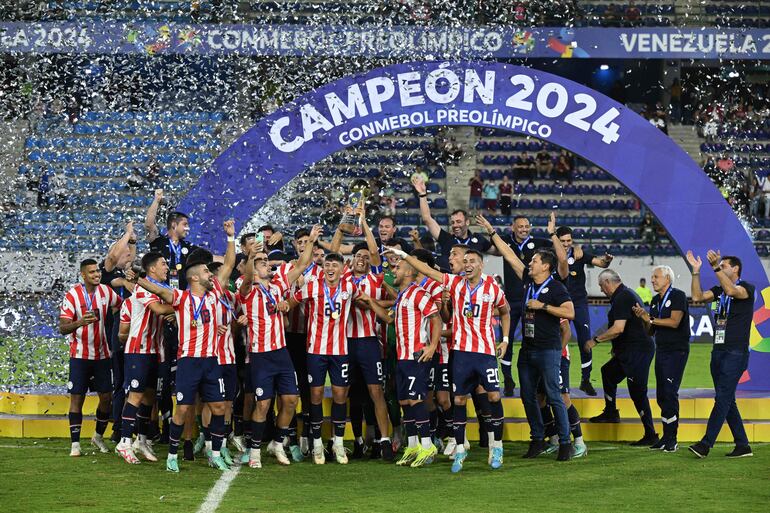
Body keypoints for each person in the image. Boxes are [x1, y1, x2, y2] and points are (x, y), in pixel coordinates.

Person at [385, 247, 510, 473]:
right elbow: (427, 270)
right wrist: (404, 256)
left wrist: (506, 340)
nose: (468, 263)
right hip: (460, 353)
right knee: (459, 400)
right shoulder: (454, 283)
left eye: (472, 260)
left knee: (493, 396)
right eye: (466, 260)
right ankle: (460, 449)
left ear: (481, 264)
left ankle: (497, 446)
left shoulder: (493, 286)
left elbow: (505, 311)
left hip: (485, 352)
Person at [138, 224, 235, 472]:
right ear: (194, 277)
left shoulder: (215, 296)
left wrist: (231, 238)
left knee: (220, 407)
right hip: (189, 362)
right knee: (182, 408)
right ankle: (172, 454)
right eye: (205, 271)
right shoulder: (182, 298)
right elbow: (158, 289)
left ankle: (214, 453)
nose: (210, 274)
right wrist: (137, 278)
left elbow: (228, 267)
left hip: (212, 360)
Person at [478, 214, 575, 461]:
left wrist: (543, 307)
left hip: (548, 349)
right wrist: (492, 232)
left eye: (534, 261)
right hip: (528, 348)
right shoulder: (528, 281)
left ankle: (565, 443)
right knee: (527, 395)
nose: (530, 263)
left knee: (553, 395)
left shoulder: (555, 288)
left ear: (546, 266)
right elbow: (510, 255)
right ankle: (537, 439)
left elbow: (570, 312)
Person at [239, 225, 320, 468]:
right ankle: (254, 451)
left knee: (291, 400)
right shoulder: (248, 291)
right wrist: (253, 256)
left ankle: (277, 442)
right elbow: (244, 283)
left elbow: (302, 265)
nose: (267, 265)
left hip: (281, 353)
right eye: (263, 262)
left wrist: (313, 241)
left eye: (266, 261)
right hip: (261, 355)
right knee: (263, 404)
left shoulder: (277, 286)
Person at [281, 252, 361, 465]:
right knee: (315, 395)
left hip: (340, 350)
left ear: (343, 268)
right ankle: (317, 445)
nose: (330, 268)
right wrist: (284, 306)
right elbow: (292, 301)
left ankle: (338, 443)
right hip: (315, 350)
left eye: (335, 265)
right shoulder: (312, 286)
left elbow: (366, 301)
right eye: (327, 265)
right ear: (323, 267)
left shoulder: (350, 288)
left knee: (340, 395)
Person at [364, 256, 442, 468]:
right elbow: (389, 319)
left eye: (397, 268)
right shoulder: (402, 296)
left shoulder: (418, 293)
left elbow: (436, 318)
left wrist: (432, 346)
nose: (394, 271)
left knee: (416, 400)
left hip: (416, 356)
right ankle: (413, 446)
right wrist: (371, 302)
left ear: (408, 272)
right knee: (405, 402)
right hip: (401, 357)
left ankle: (427, 446)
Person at [329, 215, 395, 461]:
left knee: (375, 391)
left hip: (368, 342)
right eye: (358, 256)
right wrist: (343, 227)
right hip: (344, 342)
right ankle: (354, 440)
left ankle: (385, 441)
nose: (362, 259)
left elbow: (376, 252)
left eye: (367, 257)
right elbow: (333, 253)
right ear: (352, 260)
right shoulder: (343, 278)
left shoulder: (375, 279)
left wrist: (365, 222)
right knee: (346, 393)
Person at [686, 251, 754, 458]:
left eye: (724, 266)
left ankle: (706, 444)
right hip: (719, 350)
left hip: (735, 351)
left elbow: (732, 290)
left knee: (723, 397)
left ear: (736, 269)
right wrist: (696, 273)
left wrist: (715, 266)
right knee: (727, 399)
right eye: (720, 266)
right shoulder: (719, 291)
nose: (720, 268)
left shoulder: (746, 288)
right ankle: (743, 445)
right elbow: (697, 297)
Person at [586, 270, 659, 447]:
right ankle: (611, 412)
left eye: (601, 286)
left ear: (608, 283)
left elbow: (618, 328)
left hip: (638, 351)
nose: (601, 290)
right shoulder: (623, 295)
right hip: (628, 350)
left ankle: (650, 434)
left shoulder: (622, 297)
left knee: (637, 391)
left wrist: (595, 340)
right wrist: (616, 349)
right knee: (608, 372)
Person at [59, 258, 122, 457]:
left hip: (102, 354)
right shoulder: (72, 295)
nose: (97, 275)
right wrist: (79, 322)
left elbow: (121, 306)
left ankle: (97, 436)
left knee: (106, 398)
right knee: (77, 398)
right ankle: (75, 444)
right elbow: (62, 327)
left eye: (97, 271)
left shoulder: (106, 292)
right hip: (79, 355)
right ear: (83, 275)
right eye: (92, 272)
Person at [115, 251, 174, 464]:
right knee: (136, 396)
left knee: (149, 397)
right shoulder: (142, 288)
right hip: (138, 350)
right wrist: (182, 308)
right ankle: (124, 442)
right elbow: (158, 309)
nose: (167, 268)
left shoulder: (164, 289)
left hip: (155, 351)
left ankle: (141, 441)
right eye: (163, 264)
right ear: (151, 269)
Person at [276, 229, 325, 457]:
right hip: (288, 337)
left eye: (308, 242)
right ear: (295, 245)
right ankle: (289, 436)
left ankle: (307, 435)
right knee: (287, 387)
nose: (304, 245)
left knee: (308, 389)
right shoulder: (286, 269)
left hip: (310, 337)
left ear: (314, 247)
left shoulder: (322, 273)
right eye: (301, 242)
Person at [632, 265, 690, 452]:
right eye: (652, 277)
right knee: (661, 394)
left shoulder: (678, 296)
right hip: (662, 350)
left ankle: (672, 438)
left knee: (670, 392)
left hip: (676, 350)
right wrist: (643, 317)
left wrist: (650, 319)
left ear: (667, 279)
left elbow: (674, 322)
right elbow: (651, 331)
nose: (653, 280)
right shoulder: (656, 300)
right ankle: (666, 436)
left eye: (656, 277)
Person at [555, 225, 614, 395]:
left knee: (585, 341)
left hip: (579, 303)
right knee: (557, 340)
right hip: (560, 304)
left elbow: (601, 263)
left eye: (569, 241)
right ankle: (554, 376)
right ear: (557, 241)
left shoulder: (578, 254)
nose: (566, 244)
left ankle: (585, 380)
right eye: (563, 241)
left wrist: (607, 260)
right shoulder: (551, 256)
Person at [497, 215, 551, 396]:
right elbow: (486, 245)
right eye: (520, 226)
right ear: (513, 227)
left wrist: (574, 249)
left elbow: (561, 248)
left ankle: (533, 379)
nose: (524, 229)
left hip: (530, 302)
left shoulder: (540, 243)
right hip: (510, 303)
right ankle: (508, 379)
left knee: (531, 339)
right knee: (507, 340)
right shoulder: (505, 242)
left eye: (527, 226)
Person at [413, 175, 491, 270]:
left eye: (458, 221)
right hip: (449, 283)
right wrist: (422, 194)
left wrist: (491, 231)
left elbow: (499, 252)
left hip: (471, 283)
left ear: (467, 222)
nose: (455, 225)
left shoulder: (479, 239)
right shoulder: (446, 239)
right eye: (453, 222)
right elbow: (427, 219)